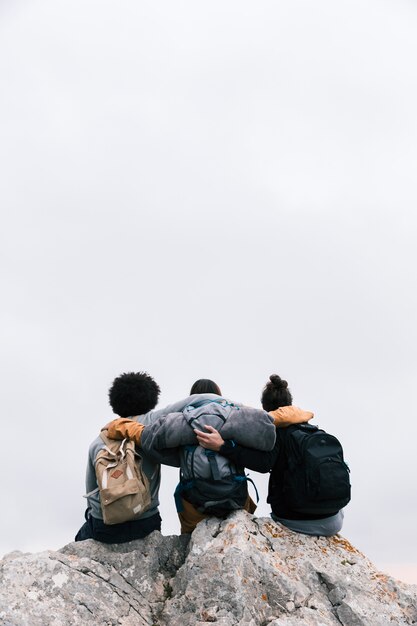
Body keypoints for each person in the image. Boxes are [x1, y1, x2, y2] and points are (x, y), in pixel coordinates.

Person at [105, 378, 277, 534]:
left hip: (196, 503)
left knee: (181, 496)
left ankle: (188, 539)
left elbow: (151, 441)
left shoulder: (182, 421)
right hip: (235, 498)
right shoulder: (236, 417)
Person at [75, 372, 222, 543]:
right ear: (151, 398)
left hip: (105, 529)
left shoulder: (98, 441)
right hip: (145, 525)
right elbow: (195, 400)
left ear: (114, 402)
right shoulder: (152, 422)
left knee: (80, 536)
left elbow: (91, 492)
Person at [195, 374, 344, 537]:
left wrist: (222, 446)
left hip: (296, 519)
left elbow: (263, 464)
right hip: (334, 520)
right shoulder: (312, 429)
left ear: (265, 408)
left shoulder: (276, 433)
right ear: (290, 402)